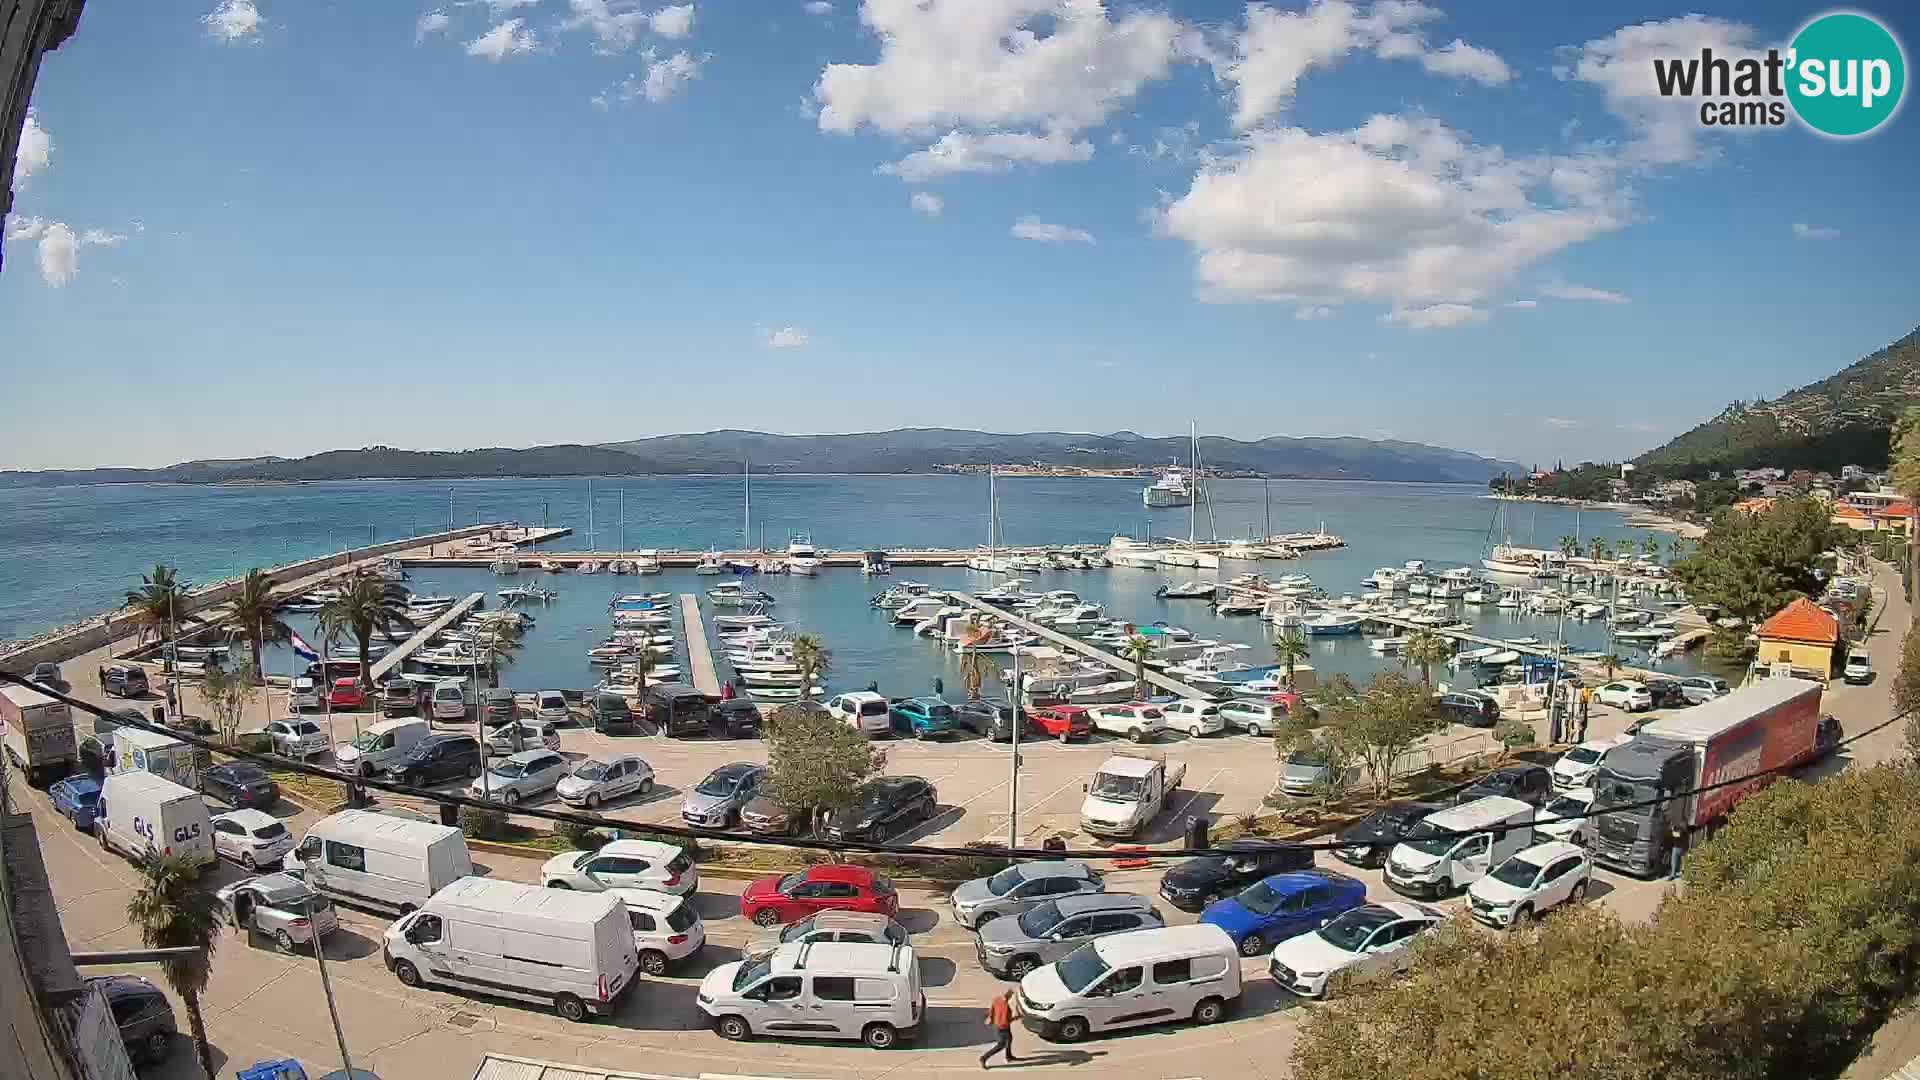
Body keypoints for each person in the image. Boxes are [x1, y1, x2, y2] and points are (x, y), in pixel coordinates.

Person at [980, 988, 1019, 1068]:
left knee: (1010, 1039)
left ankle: (1009, 1056)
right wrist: (1016, 1017)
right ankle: (984, 1058)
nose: (1011, 997)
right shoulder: (1006, 1007)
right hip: (1003, 1027)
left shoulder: (996, 999)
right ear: (1008, 995)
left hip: (998, 1025)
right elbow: (1006, 1021)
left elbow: (991, 1011)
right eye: (1010, 995)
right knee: (1001, 1045)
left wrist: (990, 1019)